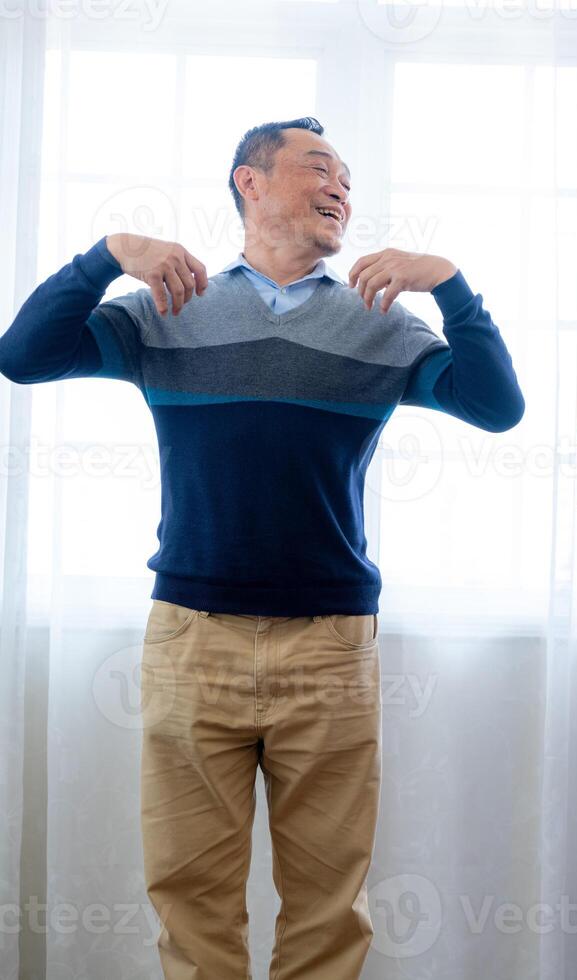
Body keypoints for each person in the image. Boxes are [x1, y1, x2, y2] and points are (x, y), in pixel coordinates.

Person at [0, 116, 524, 979]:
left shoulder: (379, 323)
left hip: (330, 648)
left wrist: (452, 284)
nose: (341, 190)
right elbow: (23, 358)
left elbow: (497, 407)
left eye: (349, 182)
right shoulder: (171, 307)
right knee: (192, 899)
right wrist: (108, 256)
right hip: (190, 640)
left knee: (327, 911)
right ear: (250, 181)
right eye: (320, 167)